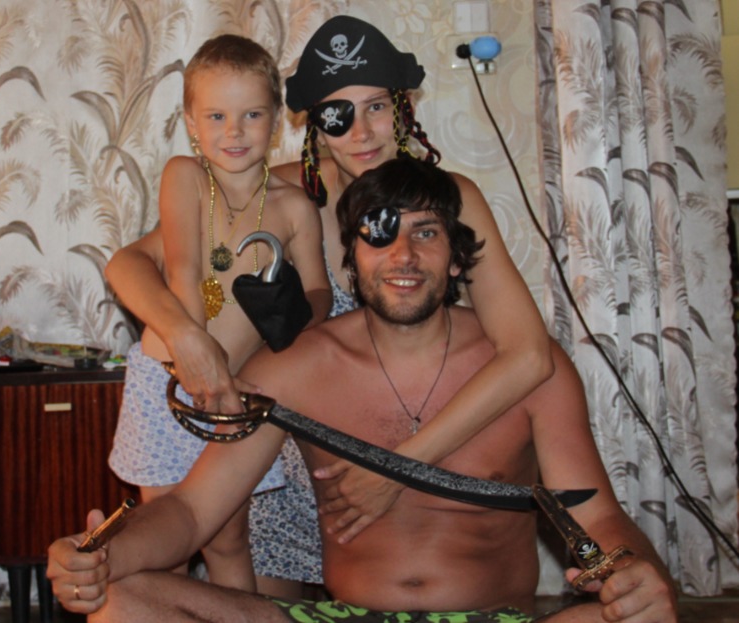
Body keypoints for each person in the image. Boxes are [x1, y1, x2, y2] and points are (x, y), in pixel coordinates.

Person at [47, 158, 677, 622]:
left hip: (495, 619)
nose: (402, 255)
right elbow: (191, 512)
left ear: (458, 260)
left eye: (426, 233)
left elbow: (598, 516)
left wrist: (631, 574)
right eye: (379, 233)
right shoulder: (297, 368)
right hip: (343, 619)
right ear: (351, 258)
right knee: (123, 600)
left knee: (642, 617)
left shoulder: (532, 369)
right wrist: (103, 556)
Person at [105, 15, 554, 596]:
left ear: (403, 106)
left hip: (395, 459)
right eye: (339, 114)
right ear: (313, 123)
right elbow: (130, 263)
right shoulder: (279, 195)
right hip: (278, 464)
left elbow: (528, 356)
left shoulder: (444, 203)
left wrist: (398, 468)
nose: (362, 133)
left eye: (377, 107)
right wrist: (187, 336)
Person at [105, 34, 331, 591]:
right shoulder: (184, 176)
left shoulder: (294, 207)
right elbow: (184, 270)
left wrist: (294, 322)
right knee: (165, 542)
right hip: (166, 386)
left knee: (229, 538)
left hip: (237, 396)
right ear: (191, 122)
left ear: (276, 120)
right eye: (216, 116)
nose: (234, 131)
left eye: (252, 114)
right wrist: (199, 364)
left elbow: (319, 291)